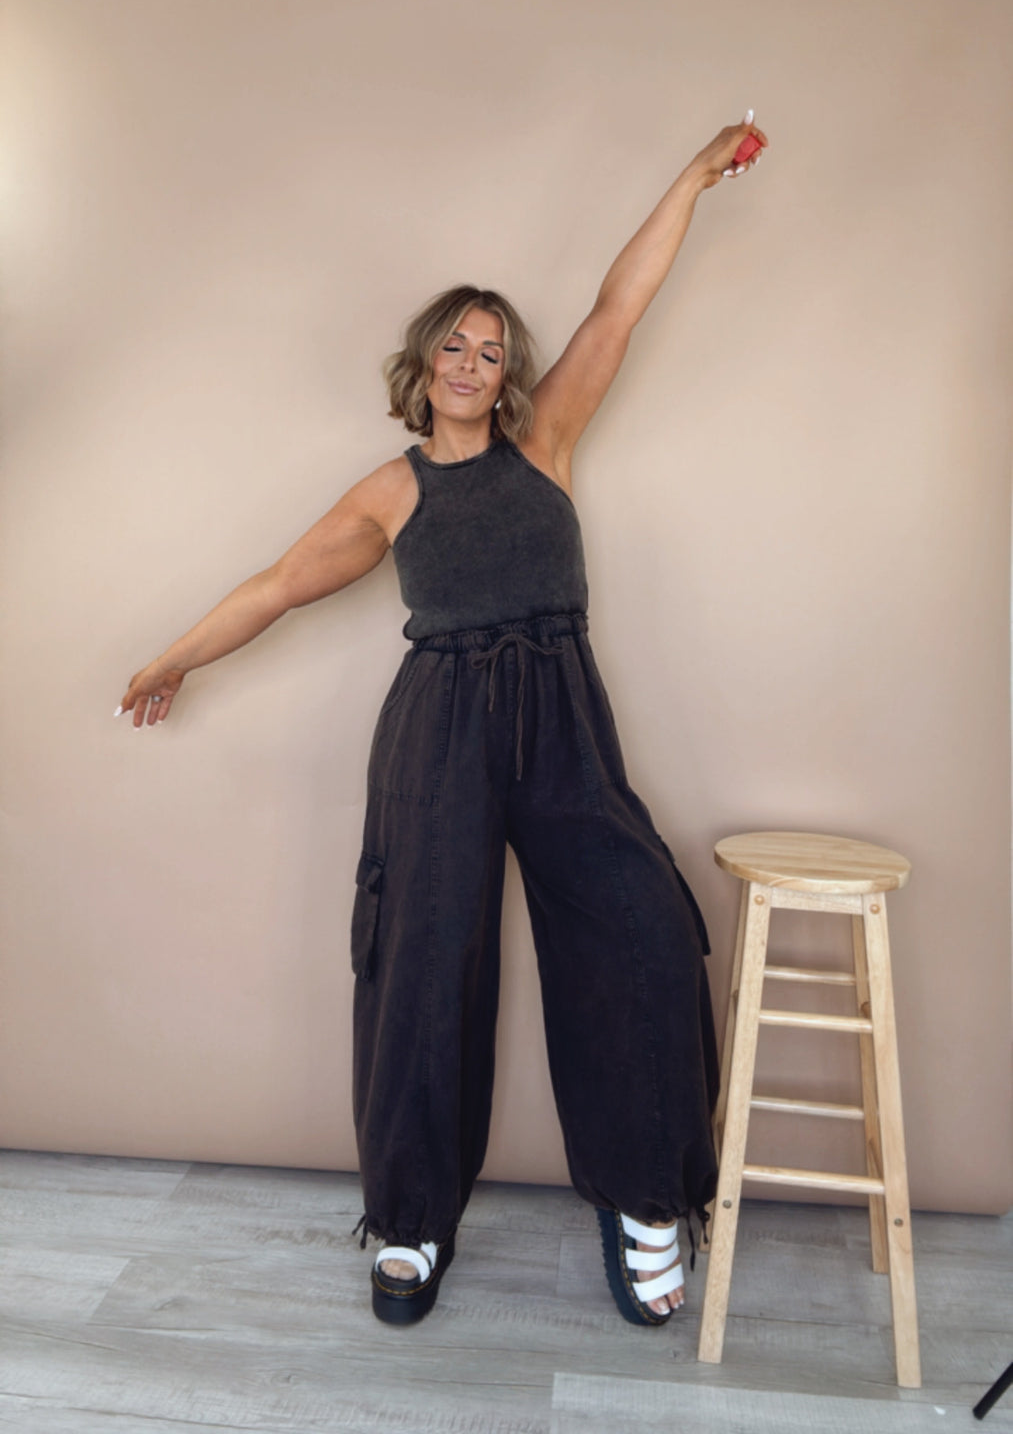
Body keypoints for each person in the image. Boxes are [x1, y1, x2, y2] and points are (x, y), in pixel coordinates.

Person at [117, 111, 768, 1328]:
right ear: (422, 366)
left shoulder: (545, 442)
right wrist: (173, 659)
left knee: (636, 932)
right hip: (440, 731)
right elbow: (276, 584)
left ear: (505, 374)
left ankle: (642, 1201)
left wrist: (690, 176)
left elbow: (617, 308)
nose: (472, 362)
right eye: (454, 345)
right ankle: (411, 1219)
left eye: (491, 348)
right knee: (423, 961)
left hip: (562, 717)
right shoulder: (390, 490)